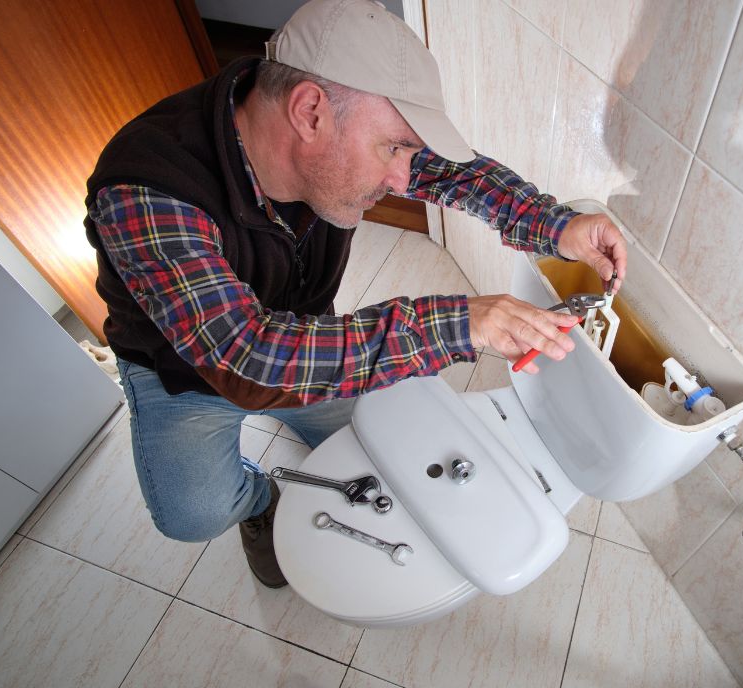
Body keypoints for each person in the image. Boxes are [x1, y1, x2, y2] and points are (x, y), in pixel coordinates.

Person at [84, 0, 628, 589]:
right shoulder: (146, 192)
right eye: (393, 148)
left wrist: (555, 225)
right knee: (194, 515)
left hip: (301, 333)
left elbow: (456, 174)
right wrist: (459, 322)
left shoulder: (338, 127)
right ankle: (257, 500)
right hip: (181, 373)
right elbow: (248, 354)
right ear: (310, 111)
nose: (403, 179)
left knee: (381, 437)